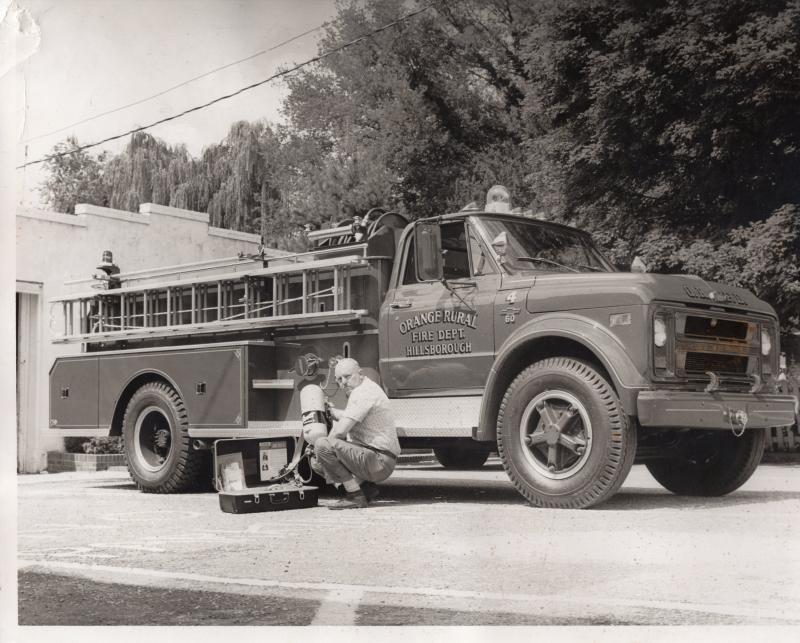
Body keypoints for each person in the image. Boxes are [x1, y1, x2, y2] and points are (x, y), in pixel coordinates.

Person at [310, 358, 400, 509]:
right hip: (380, 459)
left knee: (320, 448)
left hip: (379, 461)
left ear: (360, 373)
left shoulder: (362, 393)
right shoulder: (368, 387)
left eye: (347, 376)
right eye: (338, 379)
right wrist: (332, 412)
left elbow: (340, 432)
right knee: (320, 456)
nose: (343, 382)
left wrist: (322, 450)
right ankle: (365, 489)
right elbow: (349, 416)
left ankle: (355, 495)